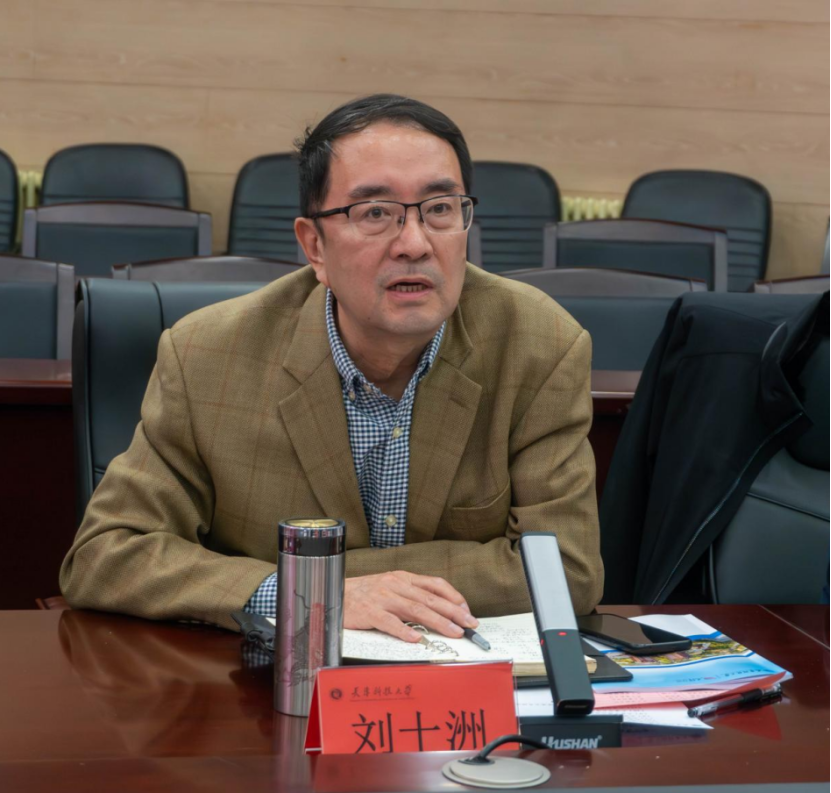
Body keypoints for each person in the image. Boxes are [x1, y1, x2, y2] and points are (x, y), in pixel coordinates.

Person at [60, 94, 603, 642]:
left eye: (440, 209)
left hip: (461, 679)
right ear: (314, 245)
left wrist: (328, 580)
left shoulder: (538, 346)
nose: (414, 244)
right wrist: (305, 595)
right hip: (263, 679)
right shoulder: (207, 354)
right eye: (375, 213)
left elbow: (566, 570)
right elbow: (107, 555)